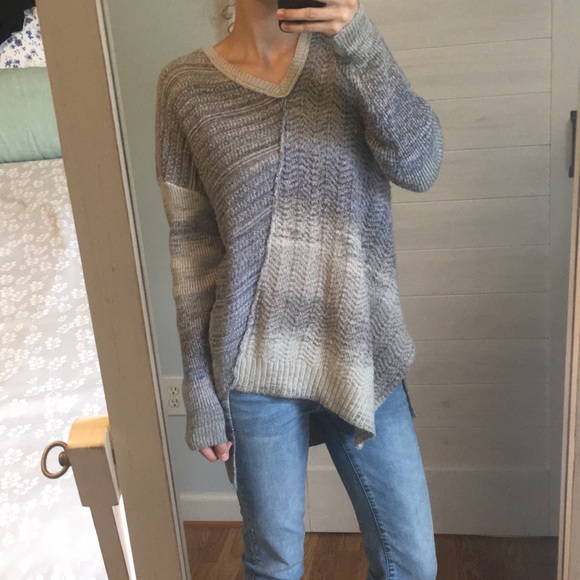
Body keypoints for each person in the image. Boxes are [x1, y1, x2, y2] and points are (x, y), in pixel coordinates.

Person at [155, 0, 443, 577]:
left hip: (360, 348)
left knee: (410, 562)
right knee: (274, 564)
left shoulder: (348, 56)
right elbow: (193, 243)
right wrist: (200, 388)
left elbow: (421, 165)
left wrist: (360, 40)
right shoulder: (184, 87)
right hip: (255, 365)